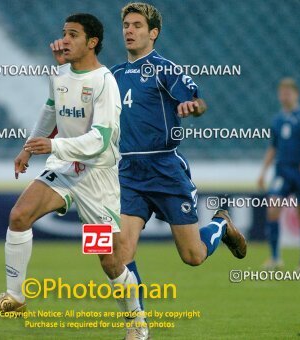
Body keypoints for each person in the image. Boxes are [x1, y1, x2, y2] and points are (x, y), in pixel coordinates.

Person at [51, 4, 247, 338]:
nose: (129, 30)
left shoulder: (164, 70)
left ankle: (220, 225)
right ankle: (138, 327)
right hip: (125, 173)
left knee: (193, 256)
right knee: (119, 254)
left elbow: (198, 102)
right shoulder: (110, 75)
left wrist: (191, 106)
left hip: (165, 170)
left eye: (137, 25)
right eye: (126, 25)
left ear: (152, 33)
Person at [0, 14, 143, 325]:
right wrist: (28, 149)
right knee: (19, 215)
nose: (64, 40)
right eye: (64, 33)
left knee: (110, 262)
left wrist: (53, 147)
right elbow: (51, 110)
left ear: (91, 42)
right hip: (65, 171)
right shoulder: (61, 75)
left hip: (97, 180)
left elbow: (100, 139)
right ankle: (15, 296)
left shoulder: (105, 82)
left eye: (73, 35)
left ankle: (136, 320)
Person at [258, 77, 300, 270]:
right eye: (282, 92)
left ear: (296, 94)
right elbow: (273, 147)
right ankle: (275, 257)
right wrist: (263, 171)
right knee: (272, 208)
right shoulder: (278, 120)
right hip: (282, 171)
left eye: (288, 92)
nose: (285, 96)